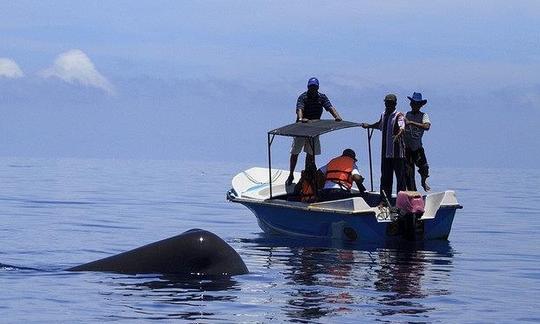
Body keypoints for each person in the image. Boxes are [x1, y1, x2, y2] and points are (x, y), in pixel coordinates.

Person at [286, 77, 343, 185]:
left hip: (314, 129)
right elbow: (299, 109)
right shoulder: (303, 97)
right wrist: (300, 119)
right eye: (311, 87)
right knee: (295, 152)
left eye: (315, 87)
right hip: (301, 128)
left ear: (317, 88)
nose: (313, 89)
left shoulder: (321, 97)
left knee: (311, 153)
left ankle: (309, 174)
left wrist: (337, 116)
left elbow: (329, 107)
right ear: (308, 87)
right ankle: (291, 174)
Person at [361, 94, 406, 200]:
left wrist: (398, 135)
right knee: (385, 178)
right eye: (387, 102)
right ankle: (384, 201)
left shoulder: (399, 115)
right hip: (386, 153)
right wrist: (369, 125)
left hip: (398, 154)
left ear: (395, 104)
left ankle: (401, 202)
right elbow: (380, 125)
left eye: (391, 103)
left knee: (400, 179)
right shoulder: (383, 114)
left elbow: (402, 127)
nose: (388, 104)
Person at [404, 92, 431, 191]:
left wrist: (411, 122)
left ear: (420, 105)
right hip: (407, 149)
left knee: (424, 169)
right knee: (409, 173)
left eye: (417, 104)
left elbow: (427, 126)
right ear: (411, 104)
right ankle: (412, 192)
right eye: (413, 103)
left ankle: (423, 182)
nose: (415, 105)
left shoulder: (424, 116)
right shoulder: (407, 115)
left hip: (417, 148)